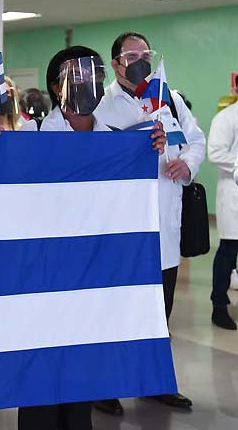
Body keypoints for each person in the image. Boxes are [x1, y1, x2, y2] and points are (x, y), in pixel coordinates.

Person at [17, 45, 166, 430]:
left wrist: (151, 149)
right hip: (43, 274)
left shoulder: (117, 139)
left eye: (96, 76)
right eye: (79, 77)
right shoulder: (31, 135)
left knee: (81, 371)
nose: (91, 84)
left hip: (90, 276)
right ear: (55, 86)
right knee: (41, 376)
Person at [94, 31, 205, 414]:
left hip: (164, 227)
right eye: (131, 55)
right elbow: (95, 160)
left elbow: (197, 140)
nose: (141, 60)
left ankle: (153, 381)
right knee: (115, 311)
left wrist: (185, 163)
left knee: (160, 312)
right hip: (121, 231)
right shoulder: (101, 107)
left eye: (146, 53)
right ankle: (103, 385)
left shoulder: (167, 99)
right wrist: (138, 145)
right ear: (116, 64)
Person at [207, 100, 238, 329]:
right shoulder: (226, 118)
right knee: (228, 252)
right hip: (233, 195)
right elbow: (215, 152)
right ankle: (219, 306)